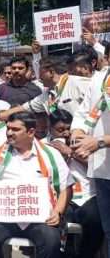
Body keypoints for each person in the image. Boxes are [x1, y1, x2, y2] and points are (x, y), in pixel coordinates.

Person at [0, 112, 72, 258]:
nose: (9, 133)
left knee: (51, 241)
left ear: (31, 132)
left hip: (40, 219)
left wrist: (58, 212)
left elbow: (66, 187)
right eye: (8, 128)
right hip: (5, 217)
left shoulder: (51, 154)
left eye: (15, 130)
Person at [47, 110, 103, 257]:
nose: (65, 133)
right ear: (50, 128)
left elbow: (97, 167)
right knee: (58, 223)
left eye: (68, 129)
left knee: (95, 220)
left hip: (87, 195)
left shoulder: (86, 144)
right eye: (60, 130)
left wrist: (71, 153)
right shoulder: (44, 146)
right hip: (62, 197)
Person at [70, 60, 110, 257]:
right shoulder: (99, 79)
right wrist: (78, 133)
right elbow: (84, 112)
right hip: (103, 169)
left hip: (100, 149)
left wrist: (101, 141)